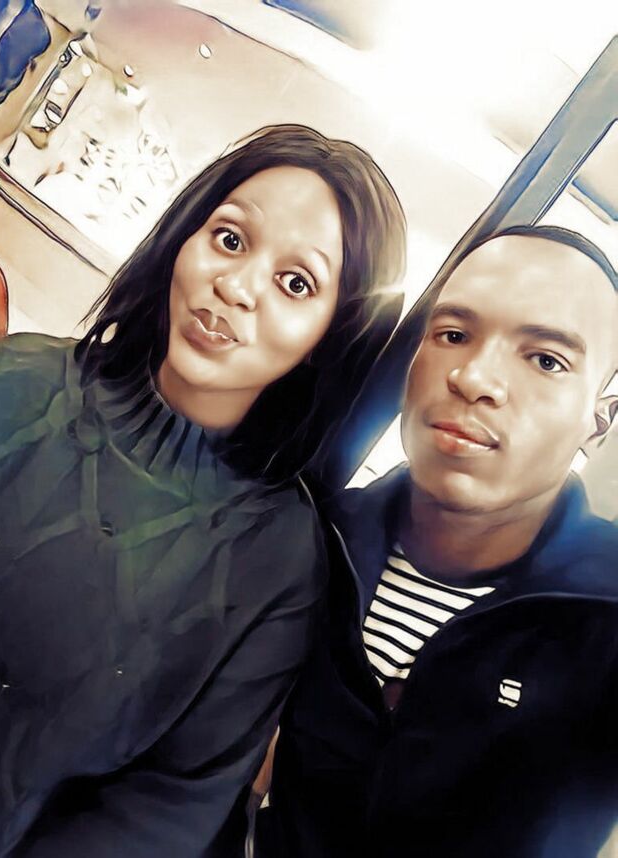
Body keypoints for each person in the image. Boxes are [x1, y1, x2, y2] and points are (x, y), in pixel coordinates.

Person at [0, 124, 406, 858]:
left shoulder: (277, 564)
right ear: (185, 235)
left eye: (295, 283)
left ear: (331, 337)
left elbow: (164, 811)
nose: (235, 287)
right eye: (230, 240)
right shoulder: (12, 376)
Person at [261, 224, 618, 858]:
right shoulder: (313, 536)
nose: (475, 378)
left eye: (546, 360)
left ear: (598, 420)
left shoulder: (604, 621)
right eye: (453, 335)